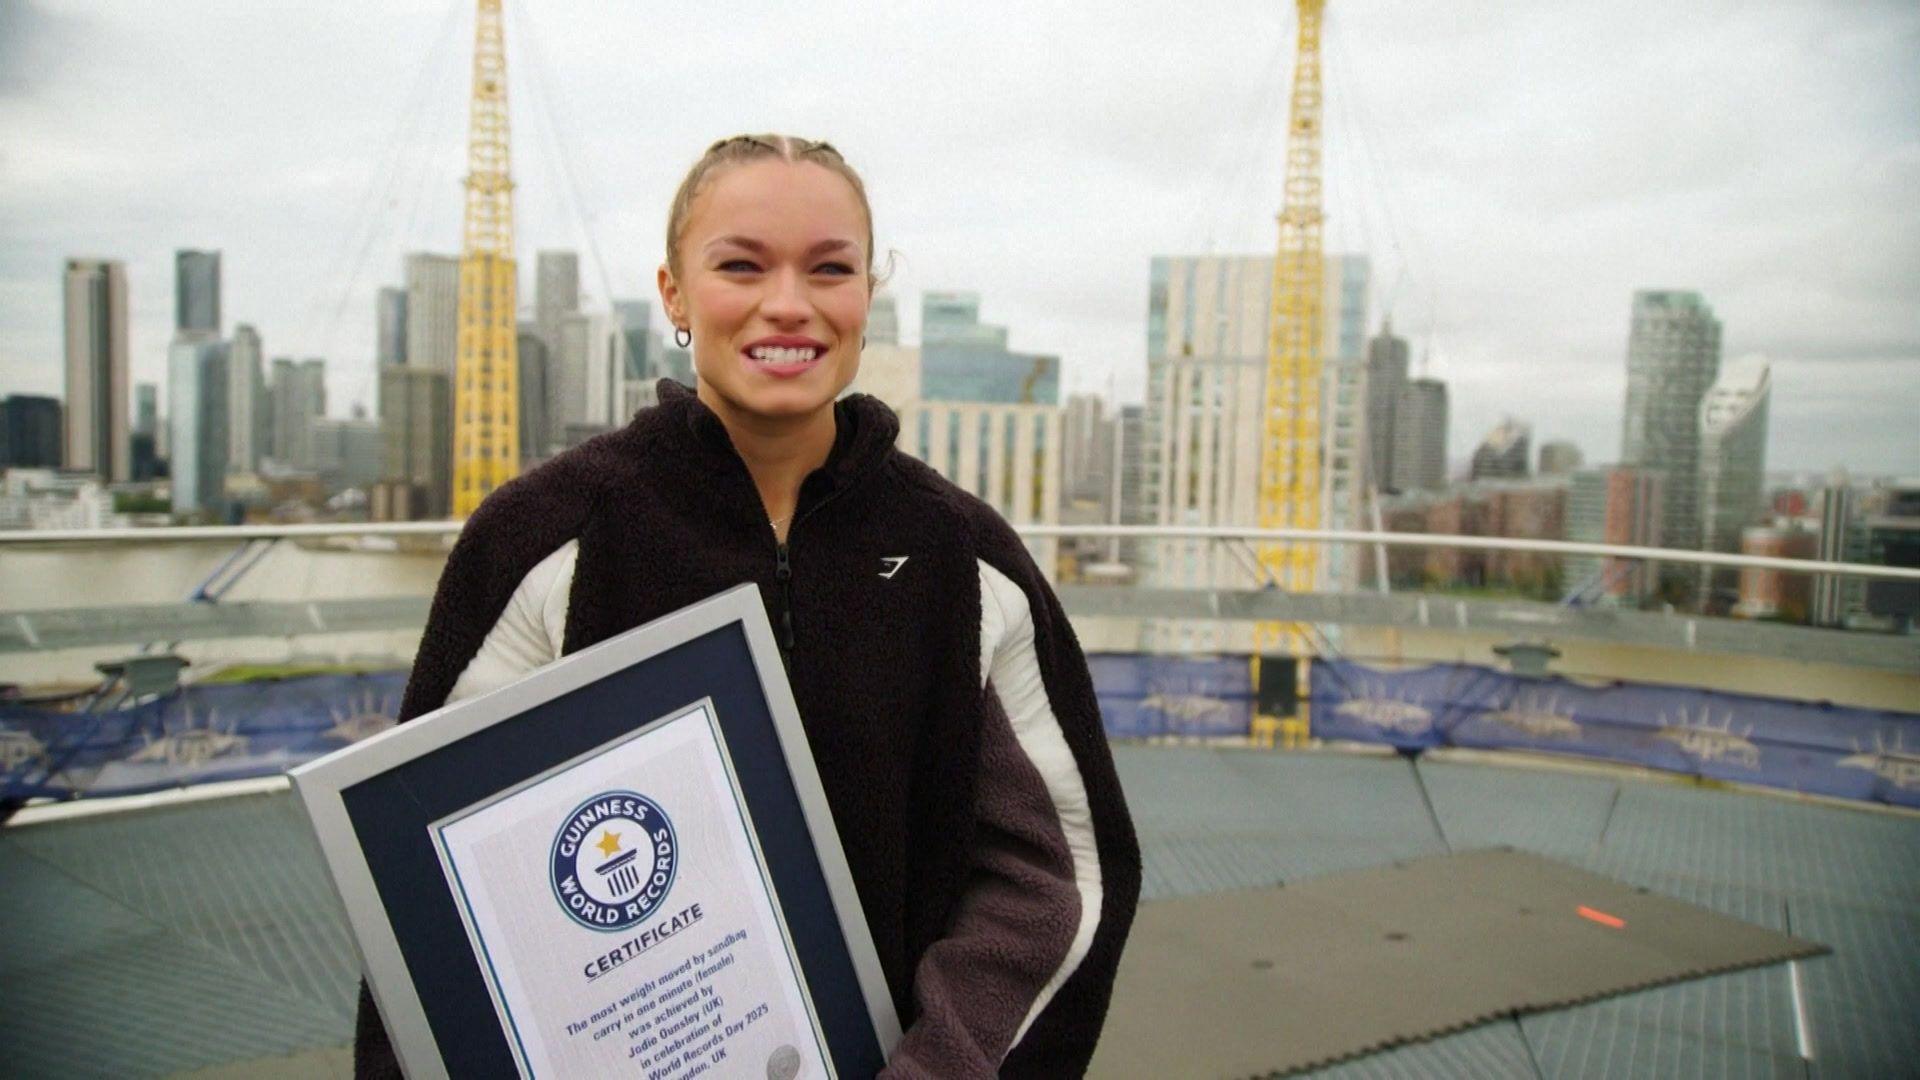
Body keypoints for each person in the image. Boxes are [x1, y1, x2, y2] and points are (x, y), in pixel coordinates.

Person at [353, 134, 1140, 1078]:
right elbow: (432, 888)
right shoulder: (549, 537)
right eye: (741, 265)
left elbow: (1058, 878)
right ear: (675, 293)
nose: (789, 304)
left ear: (866, 298)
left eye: (830, 269)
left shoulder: (964, 558)